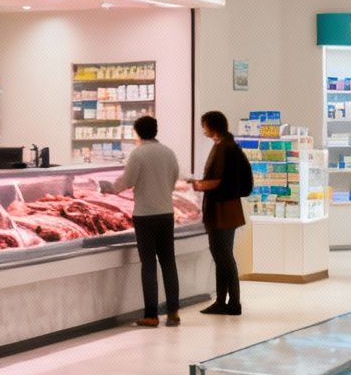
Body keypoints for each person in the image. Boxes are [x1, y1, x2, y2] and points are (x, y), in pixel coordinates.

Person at [103, 114, 181, 326]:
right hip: (166, 213)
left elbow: (126, 182)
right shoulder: (168, 152)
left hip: (145, 215)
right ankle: (173, 312)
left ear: (137, 132)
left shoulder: (138, 154)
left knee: (148, 265)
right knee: (168, 263)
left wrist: (108, 188)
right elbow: (174, 178)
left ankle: (151, 315)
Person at [192, 110, 252, 316]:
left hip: (221, 210)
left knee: (223, 257)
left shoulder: (222, 148)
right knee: (223, 256)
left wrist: (196, 185)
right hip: (231, 209)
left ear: (211, 126)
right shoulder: (230, 145)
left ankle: (231, 303)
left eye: (204, 126)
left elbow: (216, 181)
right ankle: (225, 301)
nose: (203, 131)